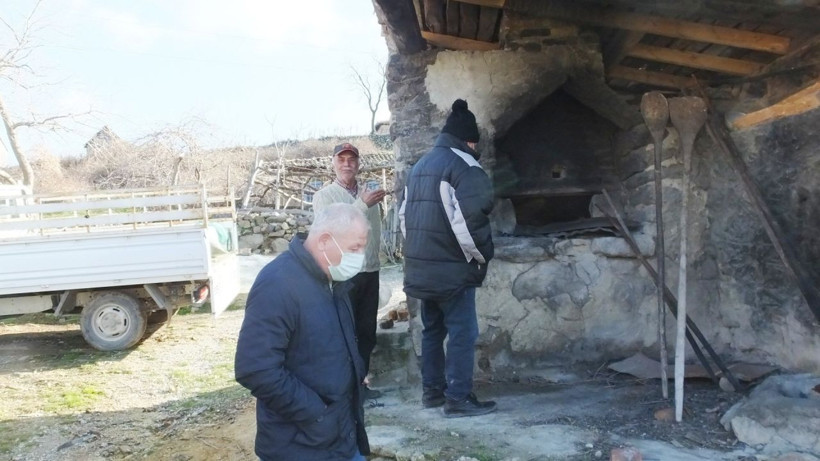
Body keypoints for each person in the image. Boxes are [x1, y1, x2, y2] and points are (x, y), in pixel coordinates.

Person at [235, 203, 371, 460]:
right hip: (301, 444)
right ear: (324, 242)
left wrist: (355, 371)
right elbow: (255, 368)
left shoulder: (333, 280)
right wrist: (317, 413)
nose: (360, 256)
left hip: (341, 435)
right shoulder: (278, 284)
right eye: (355, 248)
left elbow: (329, 342)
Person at [399, 99, 496, 418]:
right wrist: (481, 257)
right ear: (469, 140)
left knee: (432, 330)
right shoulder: (465, 165)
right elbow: (470, 222)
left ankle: (432, 393)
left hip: (422, 269)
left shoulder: (420, 166)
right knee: (463, 332)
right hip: (453, 272)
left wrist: (418, 255)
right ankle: (457, 398)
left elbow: (404, 218)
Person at [312, 142, 385, 397]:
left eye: (351, 159)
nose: (346, 164)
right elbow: (330, 230)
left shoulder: (369, 193)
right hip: (344, 274)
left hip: (369, 271)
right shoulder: (324, 196)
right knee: (345, 333)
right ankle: (345, 388)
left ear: (358, 163)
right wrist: (362, 205)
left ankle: (360, 384)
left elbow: (374, 230)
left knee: (367, 331)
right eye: (341, 159)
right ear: (333, 163)